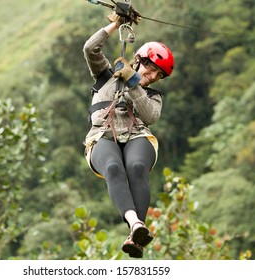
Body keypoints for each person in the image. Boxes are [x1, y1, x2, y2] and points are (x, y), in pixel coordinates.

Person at [82, 12, 174, 258]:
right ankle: (136, 226)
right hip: (102, 134)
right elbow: (90, 48)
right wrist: (116, 24)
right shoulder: (105, 76)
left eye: (159, 75)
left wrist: (134, 82)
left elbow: (150, 116)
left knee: (135, 167)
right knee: (113, 167)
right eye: (151, 68)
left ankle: (136, 232)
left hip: (137, 135)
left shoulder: (153, 96)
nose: (152, 75)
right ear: (138, 59)